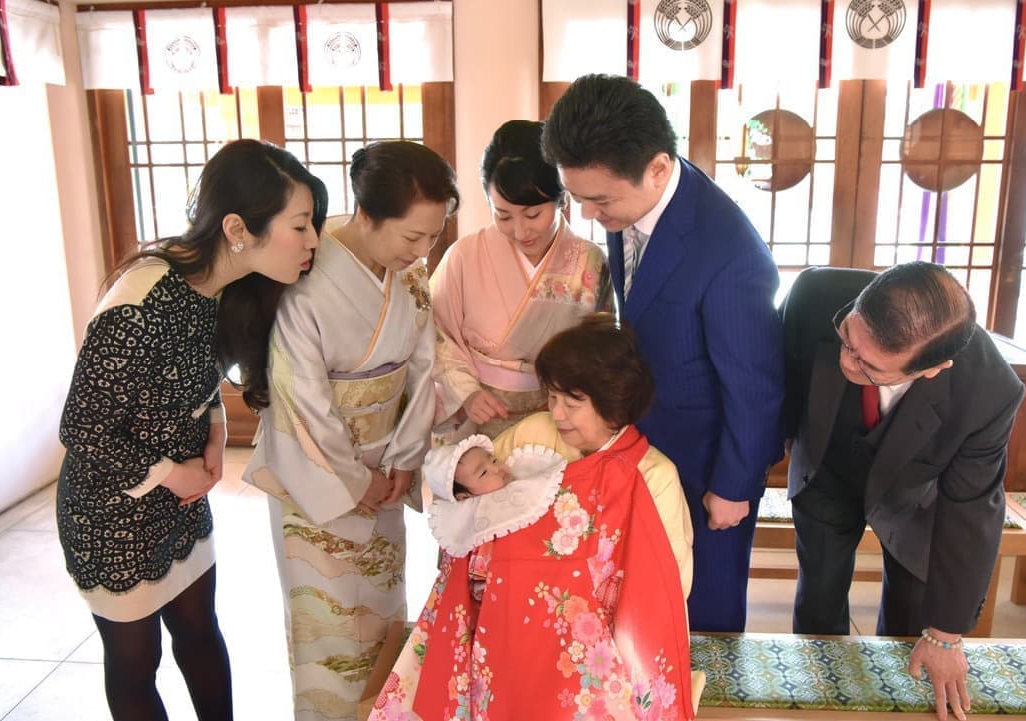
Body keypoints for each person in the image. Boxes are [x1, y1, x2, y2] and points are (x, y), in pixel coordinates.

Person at [56, 139, 327, 721]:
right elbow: (82, 429)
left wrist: (214, 427)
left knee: (200, 631)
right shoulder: (139, 304)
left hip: (179, 498)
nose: (312, 242)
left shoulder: (226, 287)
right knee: (136, 660)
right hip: (112, 511)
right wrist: (170, 472)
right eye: (300, 226)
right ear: (237, 226)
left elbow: (195, 378)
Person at [542, 74, 785, 632]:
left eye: (599, 200)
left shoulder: (730, 254)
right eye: (578, 198)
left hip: (707, 467)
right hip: (650, 446)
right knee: (644, 602)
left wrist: (732, 486)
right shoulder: (636, 203)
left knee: (703, 612)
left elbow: (757, 386)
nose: (589, 215)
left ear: (655, 168)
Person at [369, 314, 697, 720]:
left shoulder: (654, 474)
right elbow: (474, 502)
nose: (558, 414)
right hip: (509, 620)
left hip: (596, 640)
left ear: (614, 399)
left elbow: (669, 581)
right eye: (553, 397)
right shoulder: (534, 434)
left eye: (573, 403)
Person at [243, 141, 459, 720]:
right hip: (321, 477)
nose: (423, 251)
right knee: (328, 626)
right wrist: (350, 477)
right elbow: (300, 397)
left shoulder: (406, 275)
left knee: (384, 611)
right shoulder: (306, 279)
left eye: (434, 236)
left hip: (386, 470)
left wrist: (405, 461)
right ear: (365, 215)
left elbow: (421, 368)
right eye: (412, 237)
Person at [780, 262, 1025, 721]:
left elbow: (972, 509)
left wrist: (946, 632)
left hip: (915, 489)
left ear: (933, 368)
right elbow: (786, 373)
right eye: (848, 341)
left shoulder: (988, 392)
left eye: (869, 367)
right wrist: (790, 439)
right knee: (820, 593)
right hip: (827, 464)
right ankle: (819, 699)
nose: (847, 361)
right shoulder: (816, 295)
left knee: (915, 620)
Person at [432, 119, 612, 440]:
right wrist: (466, 393)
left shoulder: (590, 262)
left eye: (532, 215)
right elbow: (435, 333)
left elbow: (602, 347)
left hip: (561, 419)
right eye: (502, 215)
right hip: (481, 417)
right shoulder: (464, 256)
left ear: (561, 198)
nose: (520, 231)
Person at [422, 433, 568, 560]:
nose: (496, 468)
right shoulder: (471, 519)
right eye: (483, 473)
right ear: (464, 497)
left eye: (493, 460)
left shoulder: (523, 475)